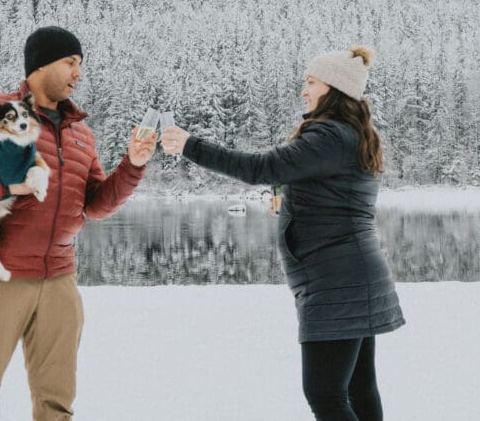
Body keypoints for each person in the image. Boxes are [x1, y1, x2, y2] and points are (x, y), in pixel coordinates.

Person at [0, 25, 156, 421]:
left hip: (59, 279)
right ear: (41, 64)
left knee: (57, 403)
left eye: (80, 64)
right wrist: (3, 188)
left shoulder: (81, 133)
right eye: (70, 62)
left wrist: (132, 165)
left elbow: (96, 205)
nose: (78, 73)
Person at [161, 45, 404, 421]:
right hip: (354, 274)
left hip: (336, 281)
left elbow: (261, 168)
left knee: (325, 394)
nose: (304, 90)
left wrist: (191, 146)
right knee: (357, 387)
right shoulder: (352, 134)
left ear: (333, 89)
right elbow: (320, 190)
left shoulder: (329, 137)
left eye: (311, 82)